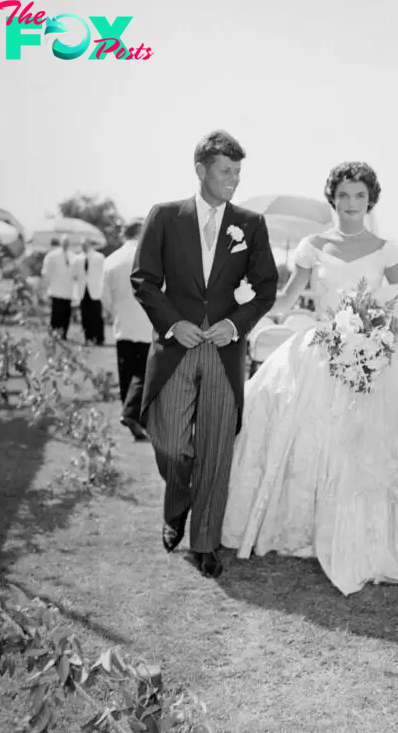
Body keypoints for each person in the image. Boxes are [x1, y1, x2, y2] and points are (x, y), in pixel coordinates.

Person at [221, 162, 398, 596]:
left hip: (371, 354)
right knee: (297, 428)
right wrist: (245, 306)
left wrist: (374, 331)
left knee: (369, 444)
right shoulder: (313, 245)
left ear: (371, 201)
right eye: (345, 195)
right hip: (319, 349)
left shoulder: (387, 250)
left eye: (360, 197)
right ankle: (301, 526)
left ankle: (369, 535)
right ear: (333, 197)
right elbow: (290, 296)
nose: (352, 204)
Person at [130, 130, 279, 578]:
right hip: (176, 347)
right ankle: (177, 503)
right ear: (201, 170)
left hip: (224, 350)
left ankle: (206, 542)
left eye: (237, 172)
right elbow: (144, 280)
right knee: (172, 443)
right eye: (224, 171)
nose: (233, 179)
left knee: (216, 448)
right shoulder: (163, 216)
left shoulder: (250, 224)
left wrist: (235, 325)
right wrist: (175, 323)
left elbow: (266, 288)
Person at [101, 220, 153, 441]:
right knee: (144, 371)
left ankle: (129, 413)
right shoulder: (152, 257)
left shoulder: (111, 260)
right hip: (147, 322)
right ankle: (132, 415)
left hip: (122, 324)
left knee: (126, 372)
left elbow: (104, 297)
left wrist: (116, 312)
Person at [41, 235, 75, 339]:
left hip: (68, 291)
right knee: (56, 313)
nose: (66, 244)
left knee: (66, 314)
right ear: (61, 242)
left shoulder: (73, 256)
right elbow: (46, 272)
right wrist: (45, 287)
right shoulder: (52, 255)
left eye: (67, 242)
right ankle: (54, 333)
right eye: (64, 242)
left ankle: (64, 334)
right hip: (56, 290)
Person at [73, 237, 105, 345]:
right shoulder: (77, 258)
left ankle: (99, 338)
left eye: (86, 244)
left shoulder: (99, 257)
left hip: (95, 290)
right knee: (85, 315)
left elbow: (103, 273)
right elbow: (75, 274)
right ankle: (88, 337)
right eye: (82, 245)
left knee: (96, 315)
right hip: (83, 290)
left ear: (90, 245)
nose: (84, 246)